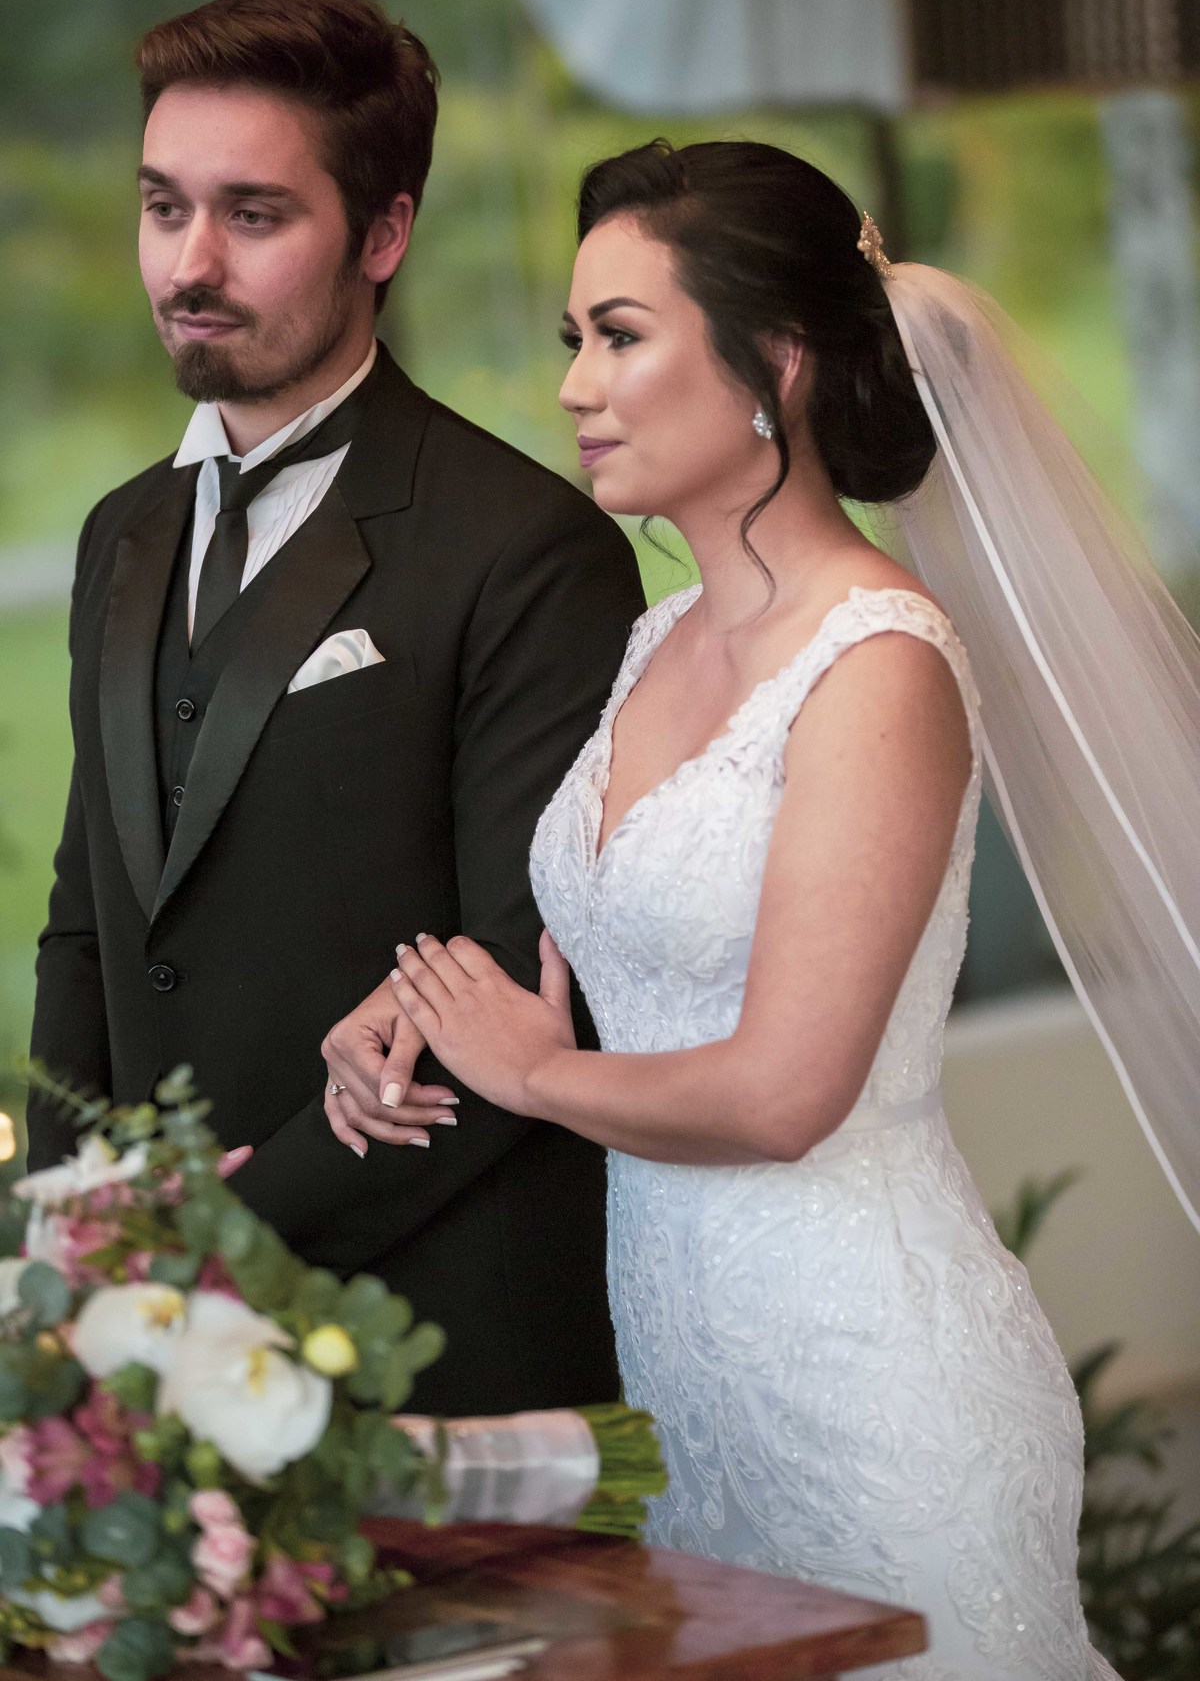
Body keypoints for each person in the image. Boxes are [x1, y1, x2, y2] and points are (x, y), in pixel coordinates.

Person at [348, 139, 1200, 1676]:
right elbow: (637, 956)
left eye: (620, 336)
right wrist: (424, 1006)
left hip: (878, 1386)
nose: (573, 389)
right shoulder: (655, 635)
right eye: (572, 342)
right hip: (686, 1386)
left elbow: (789, 1088)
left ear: (778, 363)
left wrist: (528, 1071)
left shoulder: (878, 663)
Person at [26, 0, 646, 1417]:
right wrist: (83, 1234)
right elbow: (91, 911)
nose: (190, 262)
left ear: (383, 234)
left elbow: (522, 970)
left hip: (435, 1331)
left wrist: (225, 1242)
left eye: (254, 215)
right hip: (150, 1331)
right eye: (163, 206)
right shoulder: (121, 531)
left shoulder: (525, 548)